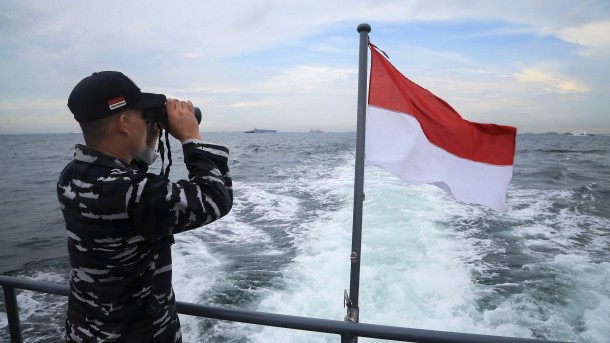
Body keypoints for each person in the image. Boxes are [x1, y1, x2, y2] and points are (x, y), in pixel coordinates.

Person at [58, 71, 233, 342]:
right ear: (124, 123)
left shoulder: (72, 175)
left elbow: (123, 179)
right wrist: (191, 137)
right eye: (144, 117)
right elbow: (214, 198)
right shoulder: (131, 193)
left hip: (86, 332)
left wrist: (148, 142)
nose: (151, 123)